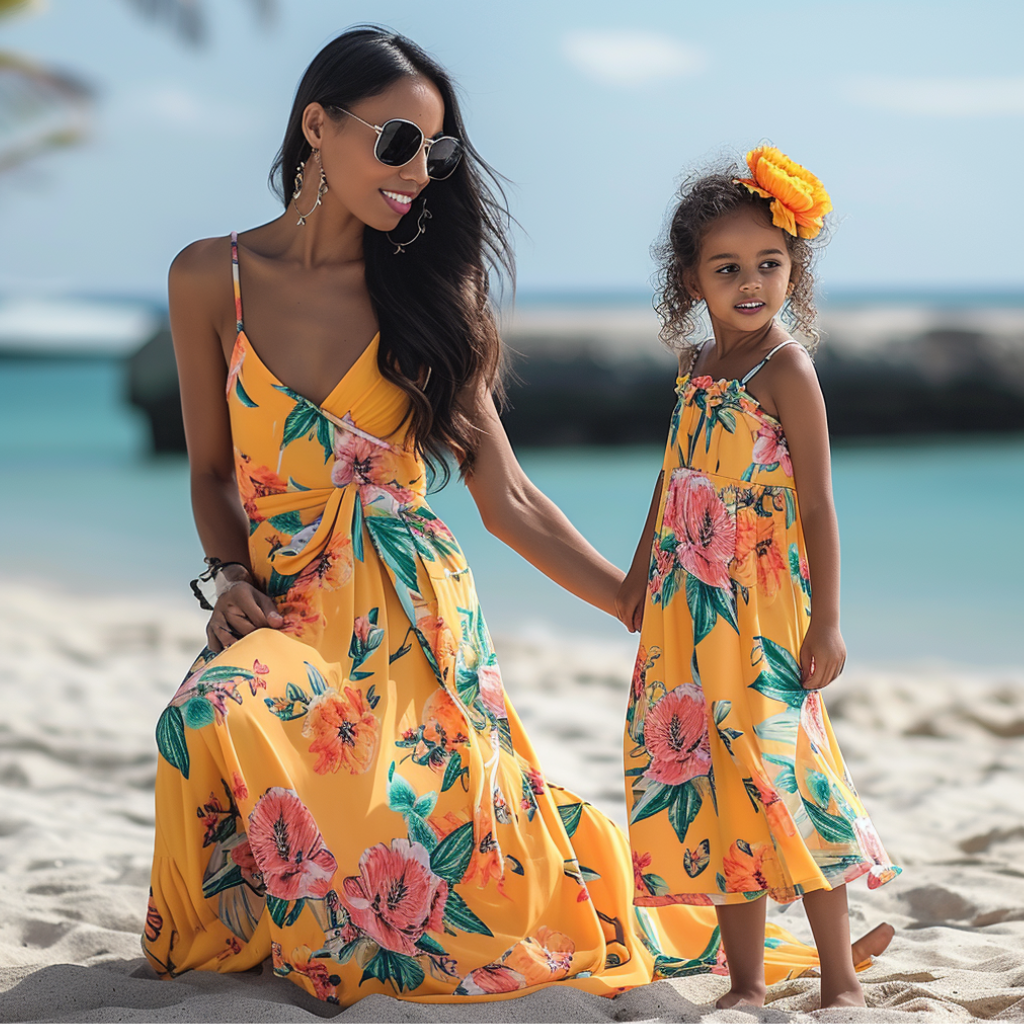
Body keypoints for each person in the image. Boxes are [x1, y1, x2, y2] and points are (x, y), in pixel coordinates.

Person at [142, 29, 881, 1006]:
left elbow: (511, 498)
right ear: (316, 125)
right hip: (280, 611)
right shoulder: (209, 278)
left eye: (436, 153)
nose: (419, 172)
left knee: (472, 877)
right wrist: (228, 576)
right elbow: (208, 474)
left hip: (412, 624)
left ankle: (704, 919)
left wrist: (632, 599)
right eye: (399, 140)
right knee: (211, 707)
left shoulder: (426, 294)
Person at [615, 148, 899, 1010]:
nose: (751, 283)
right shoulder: (695, 367)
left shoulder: (787, 369)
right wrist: (636, 583)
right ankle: (744, 984)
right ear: (690, 278)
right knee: (709, 780)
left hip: (768, 615)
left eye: (769, 265)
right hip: (684, 613)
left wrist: (830, 623)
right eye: (727, 268)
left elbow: (818, 505)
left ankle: (842, 976)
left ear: (794, 271)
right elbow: (672, 487)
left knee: (787, 779)